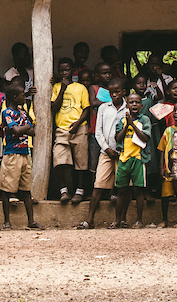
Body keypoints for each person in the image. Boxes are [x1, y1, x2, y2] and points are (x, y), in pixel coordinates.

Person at [81, 78, 126, 230]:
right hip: (106, 152)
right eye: (112, 92)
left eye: (118, 92)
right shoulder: (103, 108)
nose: (115, 95)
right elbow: (98, 131)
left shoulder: (128, 109)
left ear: (123, 92)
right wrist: (107, 148)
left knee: (121, 187)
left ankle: (119, 220)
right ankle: (90, 219)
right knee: (98, 184)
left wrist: (119, 150)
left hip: (123, 153)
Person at [51, 58, 91, 204]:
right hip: (62, 129)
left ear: (73, 70)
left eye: (67, 70)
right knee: (59, 160)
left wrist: (78, 124)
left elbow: (86, 109)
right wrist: (62, 88)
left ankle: (79, 191)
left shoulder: (80, 88)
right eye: (61, 70)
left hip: (79, 128)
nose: (64, 73)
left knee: (81, 162)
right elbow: (54, 107)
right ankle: (63, 190)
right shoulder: (56, 87)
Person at [0, 83, 40, 230]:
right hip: (12, 154)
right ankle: (6, 221)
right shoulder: (7, 113)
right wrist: (22, 129)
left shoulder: (22, 112)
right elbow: (19, 129)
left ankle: (31, 221)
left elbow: (32, 131)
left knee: (26, 189)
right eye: (23, 95)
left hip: (25, 153)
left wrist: (19, 129)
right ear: (15, 97)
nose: (25, 97)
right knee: (7, 188)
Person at [113, 93, 151, 229]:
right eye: (131, 102)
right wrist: (126, 125)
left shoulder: (144, 120)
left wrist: (133, 126)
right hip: (124, 158)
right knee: (121, 191)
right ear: (127, 105)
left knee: (138, 190)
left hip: (138, 159)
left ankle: (139, 220)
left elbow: (145, 137)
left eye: (137, 102)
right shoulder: (122, 120)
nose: (134, 104)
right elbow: (117, 138)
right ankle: (118, 220)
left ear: (141, 105)